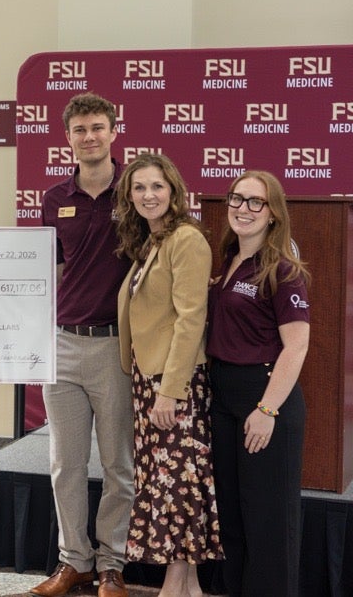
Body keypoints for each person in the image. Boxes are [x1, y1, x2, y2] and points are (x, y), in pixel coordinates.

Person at [31, 93, 133, 597]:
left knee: (117, 464)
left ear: (114, 131)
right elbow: (51, 270)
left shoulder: (137, 191)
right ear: (67, 137)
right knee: (65, 464)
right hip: (64, 347)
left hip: (118, 349)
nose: (89, 137)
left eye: (98, 127)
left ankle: (112, 565)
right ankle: (75, 562)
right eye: (79, 130)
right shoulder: (54, 198)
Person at [115, 154, 222, 597]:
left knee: (177, 483)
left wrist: (170, 393)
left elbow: (190, 319)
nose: (148, 195)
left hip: (173, 384)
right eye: (139, 188)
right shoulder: (151, 241)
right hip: (149, 380)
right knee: (165, 482)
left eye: (156, 186)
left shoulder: (186, 240)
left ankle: (175, 582)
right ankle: (189, 586)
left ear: (174, 190)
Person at [206, 171, 309, 597]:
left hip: (264, 398)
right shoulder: (227, 259)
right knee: (232, 516)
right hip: (224, 396)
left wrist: (267, 411)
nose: (243, 209)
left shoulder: (282, 269)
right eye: (237, 199)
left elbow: (297, 347)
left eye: (256, 202)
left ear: (273, 214)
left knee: (268, 521)